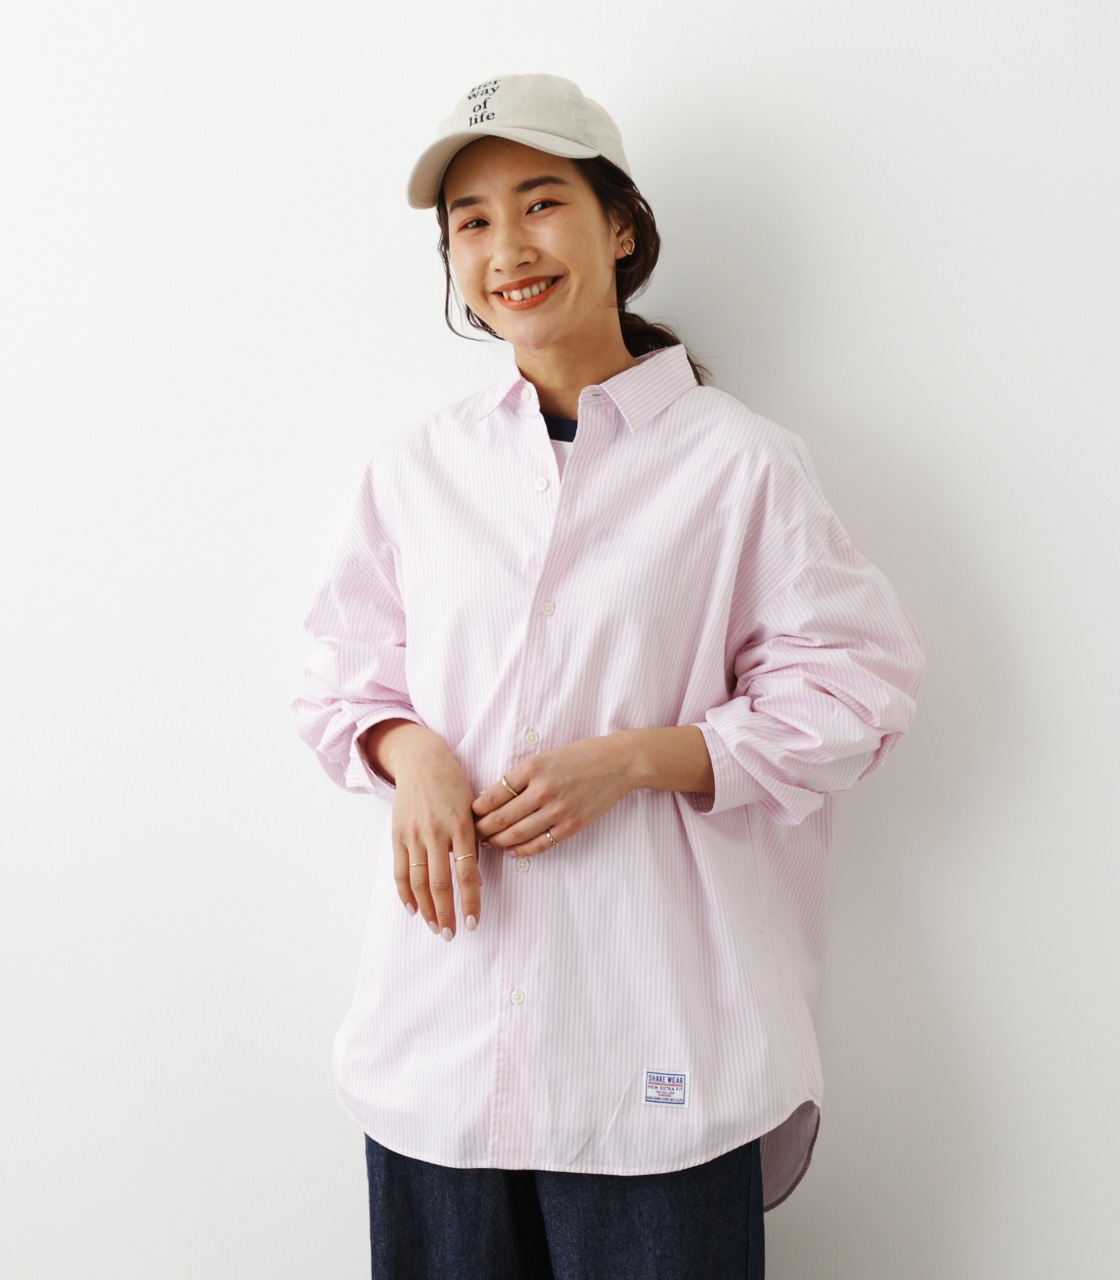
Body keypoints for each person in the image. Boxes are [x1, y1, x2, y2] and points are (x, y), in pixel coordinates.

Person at [293, 73, 923, 1280]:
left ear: (620, 225)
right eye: (471, 220)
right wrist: (408, 752)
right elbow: (335, 670)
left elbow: (855, 686)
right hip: (439, 1052)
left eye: (541, 203)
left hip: (652, 1052)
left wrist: (638, 758)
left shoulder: (737, 464)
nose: (506, 248)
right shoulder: (418, 469)